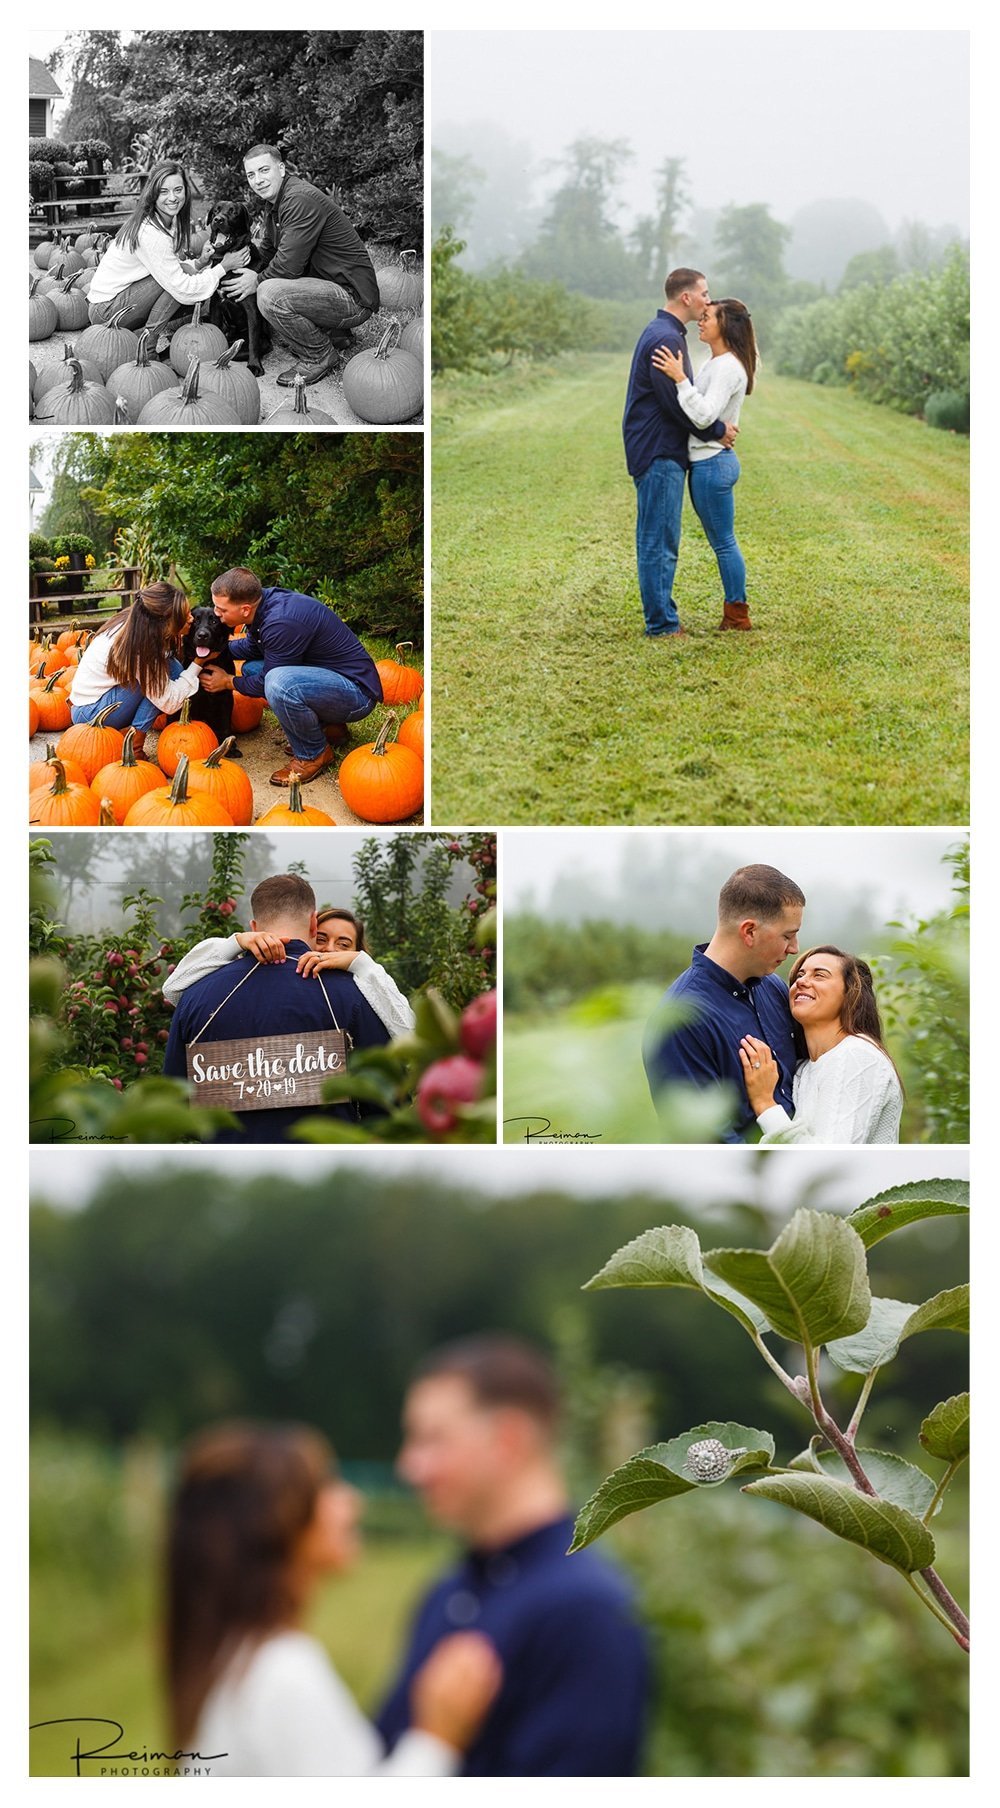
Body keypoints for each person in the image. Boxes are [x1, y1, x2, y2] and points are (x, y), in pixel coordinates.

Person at [376, 1336, 648, 1777]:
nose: (410, 1466)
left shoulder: (588, 1611)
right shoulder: (448, 1591)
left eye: (431, 1440)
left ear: (507, 1440)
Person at [167, 1420, 502, 1777]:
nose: (352, 1502)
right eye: (327, 1487)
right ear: (277, 1523)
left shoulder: (236, 1660)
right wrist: (437, 1737)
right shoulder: (283, 1675)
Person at [162, 874, 391, 1142]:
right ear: (314, 923)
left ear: (254, 926)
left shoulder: (195, 995)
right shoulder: (352, 993)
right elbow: (385, 1104)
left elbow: (174, 1104)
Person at [643, 864, 804, 1143]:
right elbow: (702, 1142)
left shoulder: (776, 989)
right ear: (749, 932)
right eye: (787, 936)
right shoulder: (679, 1021)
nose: (794, 949)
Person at [622, 268, 738, 639]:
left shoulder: (668, 334)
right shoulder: (664, 339)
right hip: (659, 450)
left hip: (661, 449)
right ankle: (662, 624)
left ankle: (662, 618)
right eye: (704, 293)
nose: (708, 299)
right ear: (686, 297)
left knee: (659, 537)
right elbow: (674, 405)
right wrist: (717, 430)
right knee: (659, 540)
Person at [199, 567, 382, 786]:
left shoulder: (281, 622)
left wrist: (228, 682)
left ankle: (312, 754)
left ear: (245, 609)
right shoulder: (264, 604)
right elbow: (253, 647)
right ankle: (330, 729)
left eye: (221, 610)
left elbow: (265, 682)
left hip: (356, 693)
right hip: (329, 679)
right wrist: (215, 649)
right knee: (251, 669)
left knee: (279, 683)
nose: (217, 614)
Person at [219, 144, 380, 386]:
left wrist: (256, 280)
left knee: (269, 295)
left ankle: (319, 355)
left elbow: (287, 267)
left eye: (264, 170)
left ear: (281, 168)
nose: (258, 180)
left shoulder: (298, 199)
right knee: (267, 290)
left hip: (352, 297)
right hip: (326, 286)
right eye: (251, 175)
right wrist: (244, 265)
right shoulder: (275, 202)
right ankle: (336, 333)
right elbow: (269, 249)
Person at [651, 297, 758, 629]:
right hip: (710, 461)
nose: (701, 320)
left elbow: (704, 416)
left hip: (712, 464)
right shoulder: (717, 361)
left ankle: (737, 614)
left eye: (708, 317)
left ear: (724, 325)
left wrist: (680, 379)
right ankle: (735, 609)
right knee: (722, 540)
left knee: (724, 542)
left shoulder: (727, 367)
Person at [163, 903, 416, 1040]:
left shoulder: (361, 991)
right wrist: (237, 942)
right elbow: (173, 988)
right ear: (310, 930)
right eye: (322, 938)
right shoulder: (264, 972)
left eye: (344, 945)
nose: (329, 950)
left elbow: (409, 1034)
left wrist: (362, 964)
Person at [739, 945, 903, 1143]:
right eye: (800, 975)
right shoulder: (805, 1068)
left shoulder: (858, 1055)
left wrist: (765, 1103)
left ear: (850, 993)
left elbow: (828, 1157)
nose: (802, 981)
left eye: (819, 975)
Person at [86, 160, 242, 332]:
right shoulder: (150, 232)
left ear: (185, 190)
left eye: (178, 190)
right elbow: (180, 286)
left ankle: (139, 333)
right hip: (106, 311)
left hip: (114, 302)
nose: (173, 198)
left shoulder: (163, 221)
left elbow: (171, 266)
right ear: (153, 194)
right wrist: (223, 267)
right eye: (164, 192)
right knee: (175, 284)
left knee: (181, 274)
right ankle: (148, 346)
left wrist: (200, 262)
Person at [67, 581, 201, 756]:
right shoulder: (141, 647)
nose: (191, 618)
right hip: (91, 714)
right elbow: (168, 700)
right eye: (184, 615)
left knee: (171, 667)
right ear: (164, 622)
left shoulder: (137, 624)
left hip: (89, 703)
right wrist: (198, 664)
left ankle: (127, 733)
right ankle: (134, 744)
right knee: (164, 678)